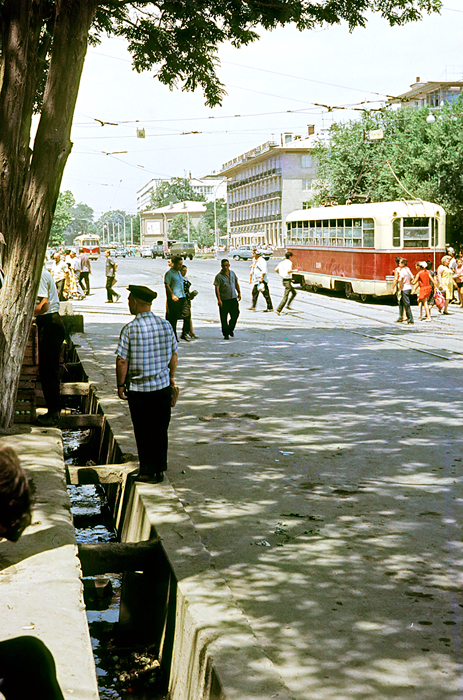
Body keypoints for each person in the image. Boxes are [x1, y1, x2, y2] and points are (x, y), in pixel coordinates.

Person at [116, 285, 178, 483]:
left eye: (129, 301)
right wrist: (171, 377)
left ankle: (147, 471)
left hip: (139, 390)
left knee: (143, 430)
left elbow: (122, 361)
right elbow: (174, 354)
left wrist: (120, 384)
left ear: (134, 301)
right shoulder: (165, 325)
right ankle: (159, 469)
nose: (128, 304)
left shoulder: (130, 329)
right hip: (161, 388)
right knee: (160, 429)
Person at [34, 265, 66, 426]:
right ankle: (53, 410)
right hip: (52, 322)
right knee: (49, 370)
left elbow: (43, 305)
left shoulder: (39, 275)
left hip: (50, 322)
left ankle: (53, 413)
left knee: (48, 370)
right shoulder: (44, 272)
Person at [214, 259, 241, 340]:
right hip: (224, 299)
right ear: (221, 266)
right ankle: (225, 333)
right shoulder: (219, 276)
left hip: (233, 298)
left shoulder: (232, 273)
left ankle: (230, 328)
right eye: (224, 265)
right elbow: (217, 288)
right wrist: (219, 300)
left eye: (227, 265)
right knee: (223, 317)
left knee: (236, 313)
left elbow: (236, 283)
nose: (225, 267)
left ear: (229, 265)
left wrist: (239, 292)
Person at [164, 256, 187, 339]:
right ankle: (173, 336)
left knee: (187, 315)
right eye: (179, 264)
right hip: (174, 298)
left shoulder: (179, 273)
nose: (180, 266)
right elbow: (167, 285)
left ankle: (185, 333)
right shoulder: (169, 274)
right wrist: (172, 295)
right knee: (173, 318)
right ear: (173, 264)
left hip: (182, 297)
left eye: (181, 264)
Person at [180, 264, 197, 340]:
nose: (184, 272)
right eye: (183, 271)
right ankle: (185, 333)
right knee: (185, 316)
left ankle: (190, 332)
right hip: (181, 299)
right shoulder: (178, 279)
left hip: (187, 298)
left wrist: (191, 295)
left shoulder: (185, 278)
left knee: (188, 316)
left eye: (185, 271)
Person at [395, 258, 414, 325]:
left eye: (400, 263)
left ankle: (410, 320)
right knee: (402, 303)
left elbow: (400, 279)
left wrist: (400, 285)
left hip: (404, 289)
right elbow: (412, 277)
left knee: (406, 305)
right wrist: (410, 282)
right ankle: (401, 317)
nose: (398, 264)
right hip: (409, 288)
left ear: (402, 264)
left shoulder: (402, 270)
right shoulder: (407, 269)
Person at [391, 256, 406, 321]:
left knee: (400, 301)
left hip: (400, 286)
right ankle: (405, 315)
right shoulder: (406, 269)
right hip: (406, 286)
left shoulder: (397, 270)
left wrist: (392, 288)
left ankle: (402, 316)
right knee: (405, 301)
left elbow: (395, 279)